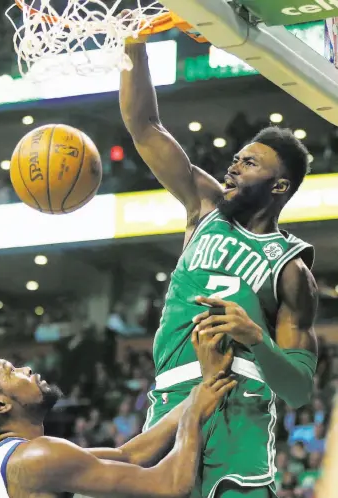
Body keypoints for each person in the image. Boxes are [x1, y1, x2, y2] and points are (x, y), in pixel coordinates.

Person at [120, 35, 318, 498]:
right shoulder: (203, 208)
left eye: (248, 164)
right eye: (234, 160)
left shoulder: (292, 270)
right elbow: (144, 125)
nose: (232, 168)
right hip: (171, 404)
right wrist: (133, 47)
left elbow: (299, 390)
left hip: (240, 412)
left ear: (278, 185)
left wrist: (256, 339)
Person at [0, 332, 236, 498]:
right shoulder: (37, 457)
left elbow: (128, 455)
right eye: (11, 371)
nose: (26, 369)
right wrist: (194, 414)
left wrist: (203, 387)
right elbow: (170, 484)